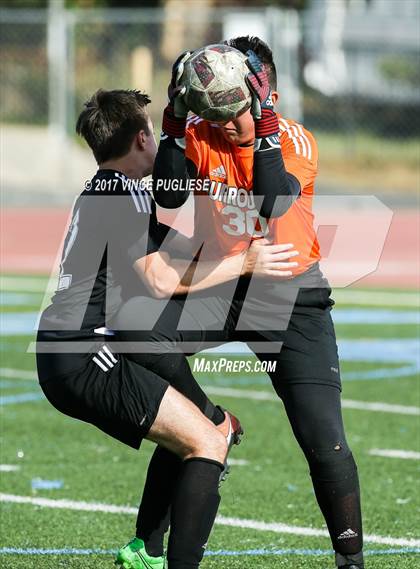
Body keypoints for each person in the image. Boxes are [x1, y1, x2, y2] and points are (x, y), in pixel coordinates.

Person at [121, 37, 364, 569]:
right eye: (220, 111)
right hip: (223, 285)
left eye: (239, 108)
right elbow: (167, 196)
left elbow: (274, 200)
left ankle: (352, 560)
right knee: (146, 346)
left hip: (290, 297)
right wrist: (174, 122)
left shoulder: (295, 139)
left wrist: (265, 121)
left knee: (324, 440)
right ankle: (149, 543)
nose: (227, 122)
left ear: (263, 92)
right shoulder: (203, 131)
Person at [36, 88, 297, 569]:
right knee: (207, 441)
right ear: (141, 138)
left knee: (198, 432)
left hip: (83, 347)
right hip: (84, 356)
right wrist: (245, 262)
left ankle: (145, 551)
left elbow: (169, 252)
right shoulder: (117, 195)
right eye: (155, 133)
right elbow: (158, 280)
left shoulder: (114, 187)